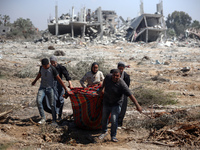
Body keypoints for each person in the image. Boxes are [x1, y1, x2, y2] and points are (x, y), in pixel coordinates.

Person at [98, 69, 142, 142]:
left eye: (117, 76)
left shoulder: (122, 84)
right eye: (114, 75)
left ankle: (113, 136)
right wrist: (102, 88)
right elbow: (104, 82)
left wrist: (137, 105)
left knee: (114, 119)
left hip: (116, 103)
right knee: (104, 118)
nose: (115, 77)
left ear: (120, 76)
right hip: (106, 102)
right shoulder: (108, 77)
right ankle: (104, 132)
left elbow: (130, 95)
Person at [32, 58, 68, 126]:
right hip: (42, 88)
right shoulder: (41, 68)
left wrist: (65, 88)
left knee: (52, 104)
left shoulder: (52, 69)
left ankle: (54, 120)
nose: (45, 67)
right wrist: (35, 81)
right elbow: (39, 74)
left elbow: (59, 79)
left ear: (48, 64)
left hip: (50, 89)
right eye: (44, 66)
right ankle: (43, 118)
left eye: (46, 66)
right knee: (38, 101)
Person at [50, 55, 73, 120]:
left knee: (60, 99)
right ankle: (54, 115)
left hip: (60, 84)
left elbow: (67, 75)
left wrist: (70, 83)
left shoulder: (61, 67)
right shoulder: (49, 68)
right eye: (52, 63)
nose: (53, 64)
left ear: (56, 62)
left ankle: (59, 115)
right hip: (52, 84)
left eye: (54, 63)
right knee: (54, 99)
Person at [117, 62, 130, 127]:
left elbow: (127, 86)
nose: (121, 70)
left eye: (122, 69)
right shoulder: (114, 74)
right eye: (119, 69)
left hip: (123, 93)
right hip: (115, 93)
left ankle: (119, 122)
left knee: (123, 108)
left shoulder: (126, 76)